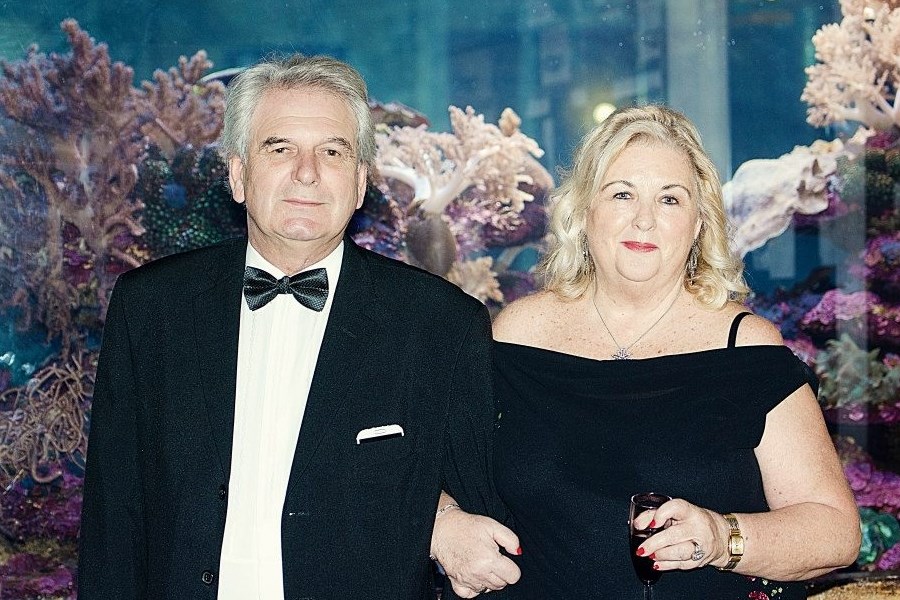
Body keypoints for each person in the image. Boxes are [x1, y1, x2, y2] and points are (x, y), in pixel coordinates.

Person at [77, 53, 504, 600]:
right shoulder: (151, 307)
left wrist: (441, 518)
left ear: (360, 183)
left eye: (333, 152)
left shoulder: (443, 325)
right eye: (279, 149)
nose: (307, 172)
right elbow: (113, 520)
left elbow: (479, 516)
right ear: (238, 175)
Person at [430, 104, 861, 599]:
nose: (644, 219)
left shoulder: (745, 348)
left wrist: (722, 537)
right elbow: (419, 464)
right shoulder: (516, 333)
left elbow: (836, 533)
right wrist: (443, 526)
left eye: (670, 199)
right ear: (584, 211)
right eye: (622, 194)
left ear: (699, 224)